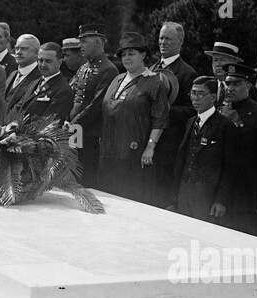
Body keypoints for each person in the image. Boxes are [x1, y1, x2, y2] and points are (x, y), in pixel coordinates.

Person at [97, 32, 174, 202]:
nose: (127, 58)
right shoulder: (117, 79)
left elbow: (160, 118)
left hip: (132, 152)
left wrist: (150, 147)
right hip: (108, 151)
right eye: (123, 54)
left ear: (144, 55)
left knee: (127, 198)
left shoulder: (154, 82)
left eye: (131, 53)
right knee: (106, 198)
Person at [219, 63, 257, 237]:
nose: (230, 88)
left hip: (248, 195)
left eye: (236, 84)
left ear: (248, 85)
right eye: (227, 83)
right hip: (221, 193)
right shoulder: (219, 111)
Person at [170, 76, 233, 223]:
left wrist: (221, 200)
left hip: (207, 196)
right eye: (193, 93)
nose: (195, 98)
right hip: (184, 192)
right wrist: (175, 195)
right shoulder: (191, 122)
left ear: (212, 97)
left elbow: (230, 167)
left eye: (200, 94)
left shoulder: (225, 126)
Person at [150, 20, 198, 207]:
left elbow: (192, 110)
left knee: (162, 198)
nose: (163, 42)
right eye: (161, 38)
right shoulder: (151, 69)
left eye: (168, 39)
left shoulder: (188, 73)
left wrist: (166, 111)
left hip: (169, 145)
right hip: (147, 140)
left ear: (180, 43)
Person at [68, 24, 120, 188]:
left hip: (90, 134)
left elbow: (96, 105)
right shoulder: (83, 67)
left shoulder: (109, 70)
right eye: (80, 41)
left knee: (86, 177)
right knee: (71, 174)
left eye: (85, 41)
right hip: (74, 131)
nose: (80, 45)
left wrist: (74, 124)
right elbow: (71, 92)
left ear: (99, 42)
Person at [12, 41, 75, 125]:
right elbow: (19, 108)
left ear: (59, 62)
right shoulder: (34, 81)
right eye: (40, 60)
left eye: (48, 61)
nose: (43, 65)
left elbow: (50, 123)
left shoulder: (63, 91)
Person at [2, 33, 42, 122]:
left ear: (37, 53)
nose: (18, 52)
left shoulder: (40, 78)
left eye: (24, 49)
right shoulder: (12, 74)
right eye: (17, 48)